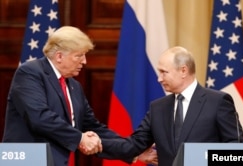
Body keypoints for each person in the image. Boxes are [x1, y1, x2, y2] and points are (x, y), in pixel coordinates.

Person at [2, 26, 157, 166]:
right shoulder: (30, 73)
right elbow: (40, 118)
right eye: (79, 56)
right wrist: (80, 138)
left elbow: (92, 127)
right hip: (26, 160)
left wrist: (132, 150)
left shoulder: (74, 86)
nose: (84, 61)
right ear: (59, 56)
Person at [99, 46, 243, 166]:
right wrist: (94, 144)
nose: (159, 78)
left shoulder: (218, 101)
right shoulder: (158, 108)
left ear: (183, 70)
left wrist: (201, 157)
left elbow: (237, 151)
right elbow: (134, 144)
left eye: (164, 72)